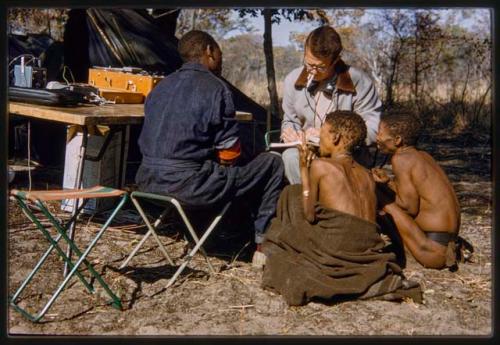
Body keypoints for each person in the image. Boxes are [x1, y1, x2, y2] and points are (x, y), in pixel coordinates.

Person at [135, 30, 285, 260]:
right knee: (272, 163)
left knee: (211, 170)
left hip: (145, 183)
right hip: (187, 187)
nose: (220, 59)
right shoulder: (216, 88)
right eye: (219, 53)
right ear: (209, 51)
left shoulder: (160, 87)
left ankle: (208, 233)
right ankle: (261, 247)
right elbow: (229, 155)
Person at [261, 111, 420, 306]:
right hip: (366, 246)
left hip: (337, 248)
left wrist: (304, 169)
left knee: (291, 194)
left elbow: (310, 216)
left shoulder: (320, 166)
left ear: (335, 138)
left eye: (322, 136)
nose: (319, 141)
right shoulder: (366, 174)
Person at [280, 25, 382, 184]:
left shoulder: (360, 82)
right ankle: (305, 204)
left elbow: (373, 129)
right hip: (307, 149)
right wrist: (291, 133)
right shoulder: (291, 80)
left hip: (345, 153)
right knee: (290, 156)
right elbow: (290, 119)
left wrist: (331, 138)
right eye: (308, 64)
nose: (312, 71)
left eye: (320, 67)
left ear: (336, 60)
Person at [372, 112, 461, 269]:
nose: (377, 138)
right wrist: (389, 183)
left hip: (431, 251)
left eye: (380, 133)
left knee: (375, 193)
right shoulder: (423, 156)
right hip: (448, 247)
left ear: (398, 140)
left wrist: (380, 187)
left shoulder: (400, 159)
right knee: (381, 190)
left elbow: (409, 208)